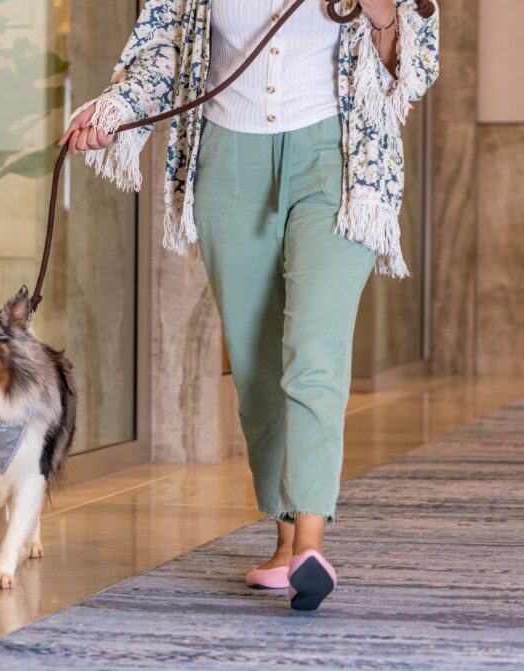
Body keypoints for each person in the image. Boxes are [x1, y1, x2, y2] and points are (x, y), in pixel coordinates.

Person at [61, 0, 439, 610]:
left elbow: (415, 67)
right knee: (258, 368)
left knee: (312, 353)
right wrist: (113, 113)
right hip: (229, 162)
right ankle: (286, 537)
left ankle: (312, 542)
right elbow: (160, 56)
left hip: (338, 161)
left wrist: (382, 14)